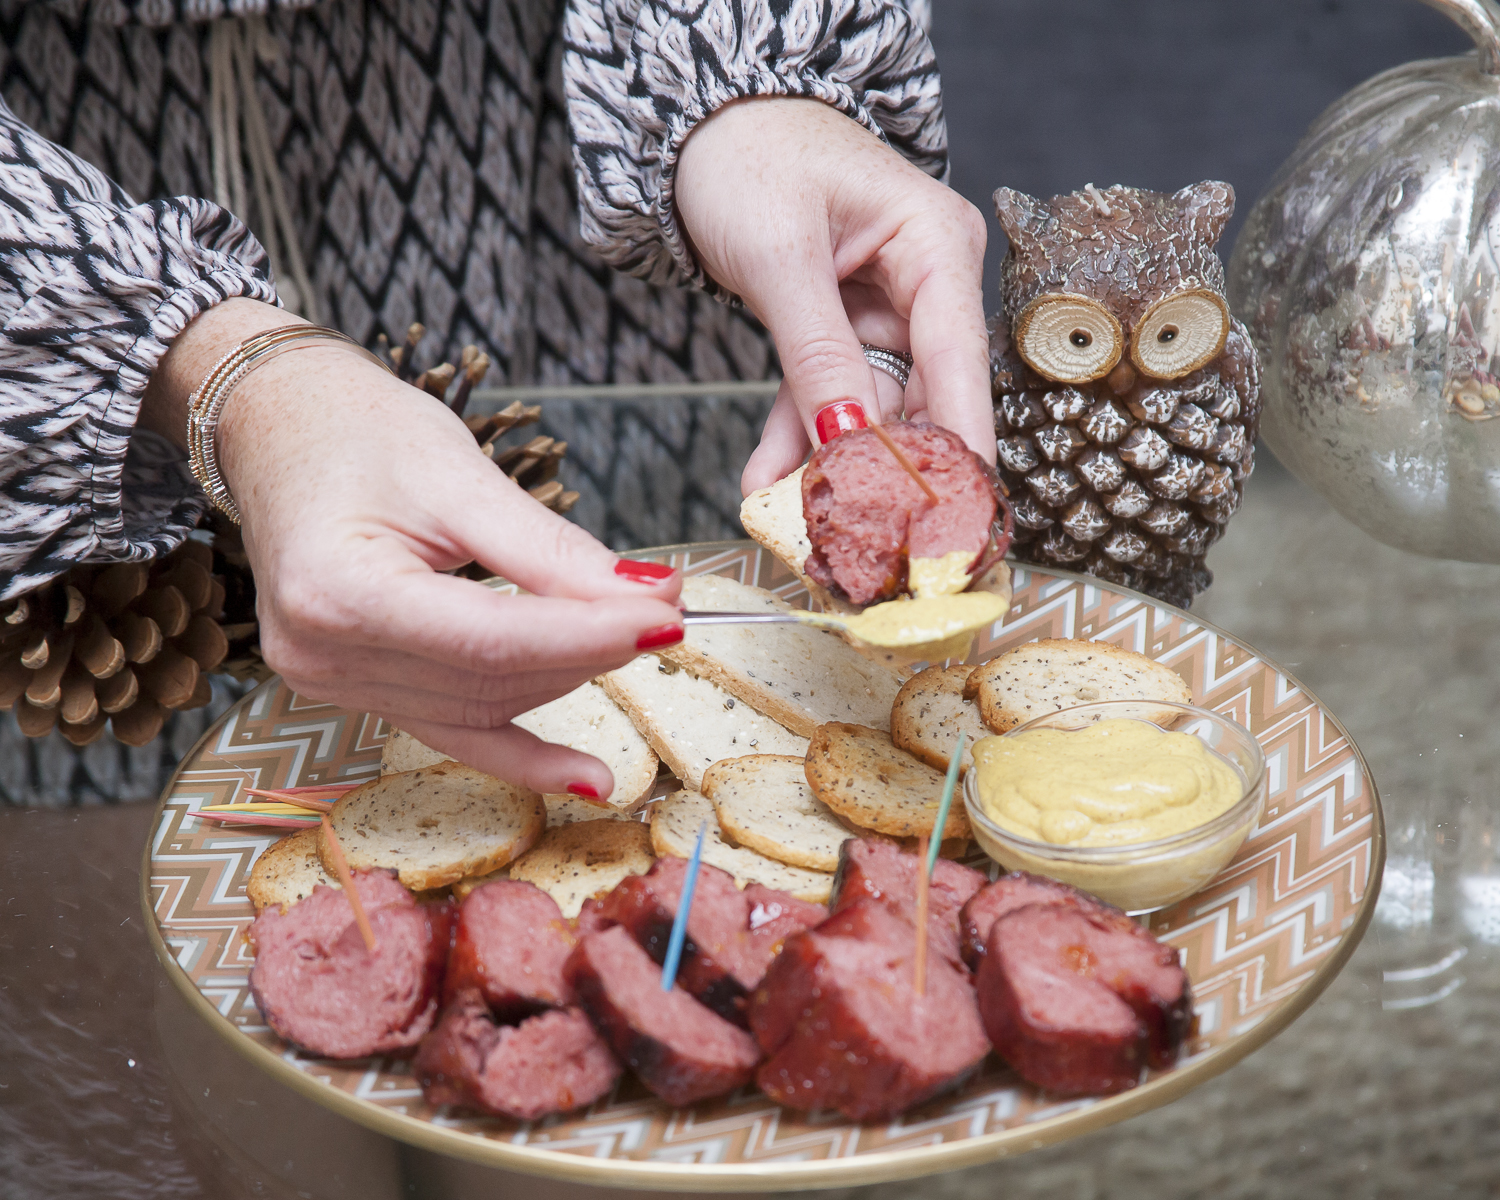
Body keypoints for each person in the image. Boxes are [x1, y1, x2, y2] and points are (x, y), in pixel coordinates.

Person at [0, 0, 993, 801]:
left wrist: (750, 82)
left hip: (570, 150)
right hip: (69, 173)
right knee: (131, 839)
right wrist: (172, 347)